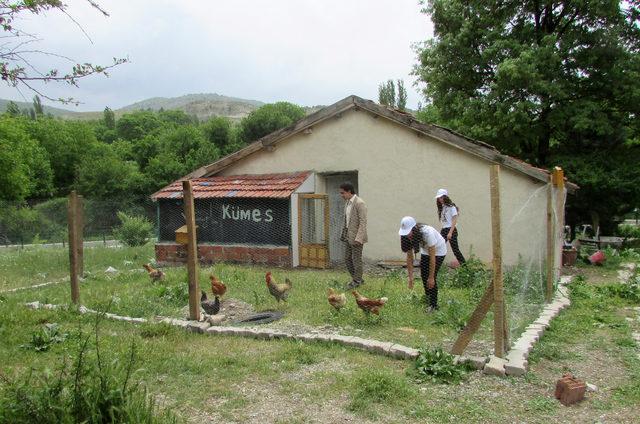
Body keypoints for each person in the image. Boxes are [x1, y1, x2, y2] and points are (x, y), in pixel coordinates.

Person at [399, 216, 447, 312]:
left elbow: (432, 257)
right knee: (424, 274)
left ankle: (433, 305)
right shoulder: (406, 237)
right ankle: (428, 297)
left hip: (438, 251)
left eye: (409, 232)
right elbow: (409, 257)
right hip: (425, 250)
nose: (407, 235)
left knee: (430, 277)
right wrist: (411, 277)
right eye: (405, 233)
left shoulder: (427, 233)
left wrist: (431, 277)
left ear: (414, 229)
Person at [339, 182, 367, 289]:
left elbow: (363, 222)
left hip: (357, 238)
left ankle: (356, 281)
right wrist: (344, 234)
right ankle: (358, 278)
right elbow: (347, 220)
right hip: (348, 237)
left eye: (343, 193)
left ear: (349, 191)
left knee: (356, 260)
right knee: (347, 259)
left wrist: (359, 238)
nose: (341, 195)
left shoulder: (360, 203)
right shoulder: (347, 203)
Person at [434, 188, 466, 265]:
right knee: (438, 246)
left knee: (455, 250)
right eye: (439, 198)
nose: (440, 199)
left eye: (441, 197)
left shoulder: (451, 207)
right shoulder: (442, 207)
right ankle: (435, 265)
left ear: (445, 197)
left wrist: (450, 233)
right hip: (444, 229)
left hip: (451, 229)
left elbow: (454, 220)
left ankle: (465, 266)